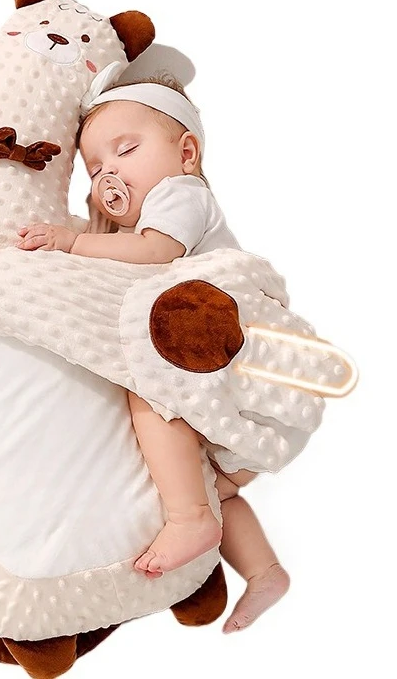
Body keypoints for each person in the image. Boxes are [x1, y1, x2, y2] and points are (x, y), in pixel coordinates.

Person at [16, 71, 290, 634]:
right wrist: (89, 227)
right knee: (214, 488)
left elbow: (155, 252)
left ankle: (188, 518)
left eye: (127, 150)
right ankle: (264, 572)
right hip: (234, 390)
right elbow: (126, 252)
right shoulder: (141, 220)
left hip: (230, 353)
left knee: (149, 393)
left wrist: (72, 241)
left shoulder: (181, 195)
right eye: (95, 167)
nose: (109, 173)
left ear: (186, 153)